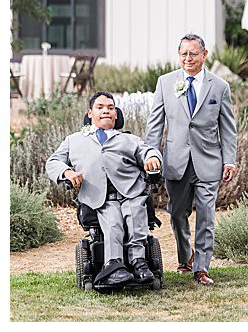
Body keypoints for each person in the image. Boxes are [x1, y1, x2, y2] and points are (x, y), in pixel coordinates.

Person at [146, 34, 237, 286]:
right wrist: (151, 154)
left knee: (206, 214)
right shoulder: (165, 83)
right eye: (184, 54)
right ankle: (186, 257)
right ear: (179, 55)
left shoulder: (219, 86)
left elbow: (228, 128)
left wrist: (229, 160)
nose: (188, 58)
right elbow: (155, 125)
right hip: (176, 161)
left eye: (193, 53)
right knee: (176, 213)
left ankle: (202, 268)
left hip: (209, 161)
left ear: (204, 55)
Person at [47, 91, 162, 287]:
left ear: (116, 114)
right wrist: (67, 172)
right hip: (101, 197)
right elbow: (54, 161)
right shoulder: (74, 140)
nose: (106, 111)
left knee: (135, 215)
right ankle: (114, 265)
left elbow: (147, 150)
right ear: (90, 113)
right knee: (113, 222)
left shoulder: (129, 139)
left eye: (110, 108)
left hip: (131, 191)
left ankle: (139, 263)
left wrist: (152, 158)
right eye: (100, 108)